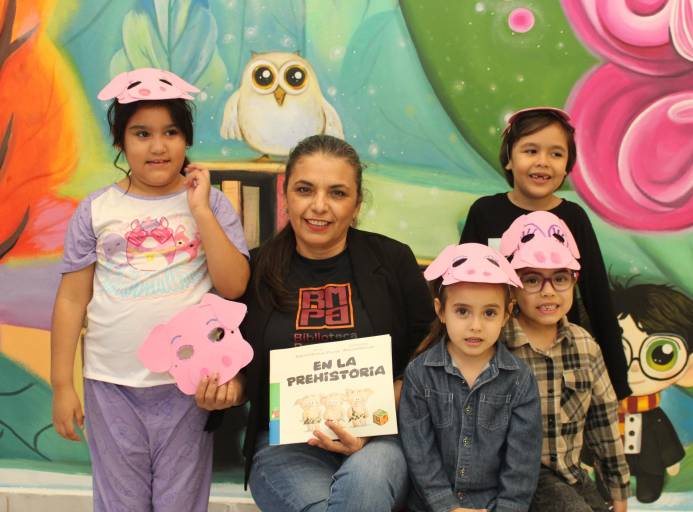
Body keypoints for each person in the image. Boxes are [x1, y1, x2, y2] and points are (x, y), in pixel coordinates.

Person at [50, 68, 250, 512]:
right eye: (142, 134)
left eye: (171, 132)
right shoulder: (97, 210)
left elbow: (234, 285)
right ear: (121, 142)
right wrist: (62, 384)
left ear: (187, 139)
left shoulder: (212, 204)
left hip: (188, 386)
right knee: (121, 503)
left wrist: (199, 210)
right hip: (110, 384)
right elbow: (70, 300)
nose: (158, 147)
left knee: (180, 503)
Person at [238, 134, 435, 512]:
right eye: (305, 189)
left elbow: (430, 353)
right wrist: (227, 383)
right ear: (285, 196)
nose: (319, 206)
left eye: (338, 193)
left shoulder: (392, 261)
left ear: (357, 203)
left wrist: (374, 415)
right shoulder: (254, 269)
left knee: (367, 483)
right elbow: (236, 360)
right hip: (285, 447)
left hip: (377, 440)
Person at [459, 107, 630, 400]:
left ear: (567, 166)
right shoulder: (485, 212)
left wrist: (618, 385)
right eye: (530, 150)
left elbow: (598, 299)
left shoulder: (573, 218)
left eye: (556, 154)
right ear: (509, 159)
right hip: (497, 358)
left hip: (560, 360)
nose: (543, 162)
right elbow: (461, 290)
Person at [500, 211, 630, 512]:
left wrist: (618, 490)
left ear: (574, 281)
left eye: (560, 278)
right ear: (512, 285)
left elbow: (604, 422)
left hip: (571, 475)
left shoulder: (585, 346)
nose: (548, 291)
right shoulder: (497, 345)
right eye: (532, 279)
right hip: (516, 483)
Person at [399, 243, 542, 512]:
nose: (475, 325)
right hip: (432, 505)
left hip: (493, 505)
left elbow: (522, 463)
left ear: (506, 314)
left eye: (489, 313)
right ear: (441, 311)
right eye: (462, 311)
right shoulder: (420, 374)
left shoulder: (520, 380)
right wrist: (447, 506)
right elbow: (420, 454)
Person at [612, 281, 693, 502]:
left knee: (650, 485)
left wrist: (672, 459)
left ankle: (648, 488)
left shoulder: (653, 416)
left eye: (660, 355)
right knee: (608, 482)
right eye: (618, 354)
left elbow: (665, 438)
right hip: (611, 463)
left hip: (649, 462)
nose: (635, 367)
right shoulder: (604, 415)